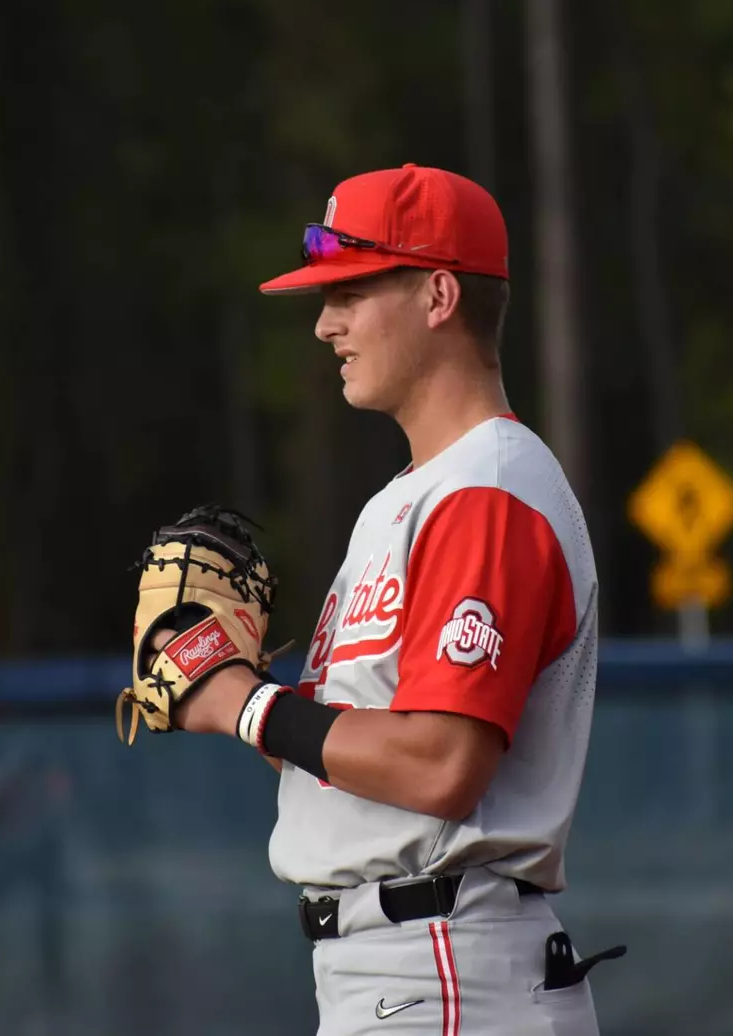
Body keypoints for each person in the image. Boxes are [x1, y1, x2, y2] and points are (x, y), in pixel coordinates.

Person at [156, 163, 614, 1034]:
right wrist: (232, 686)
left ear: (438, 294)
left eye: (352, 291)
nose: (326, 324)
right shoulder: (411, 497)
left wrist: (245, 707)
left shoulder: (490, 490)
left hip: (444, 967)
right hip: (403, 968)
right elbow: (365, 753)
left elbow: (439, 764)